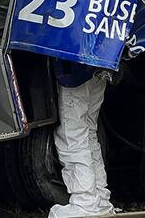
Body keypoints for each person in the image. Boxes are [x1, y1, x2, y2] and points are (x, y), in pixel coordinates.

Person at [49, 60, 114, 218]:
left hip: (76, 67)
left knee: (73, 134)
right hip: (101, 64)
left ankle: (85, 202)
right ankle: (101, 200)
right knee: (89, 132)